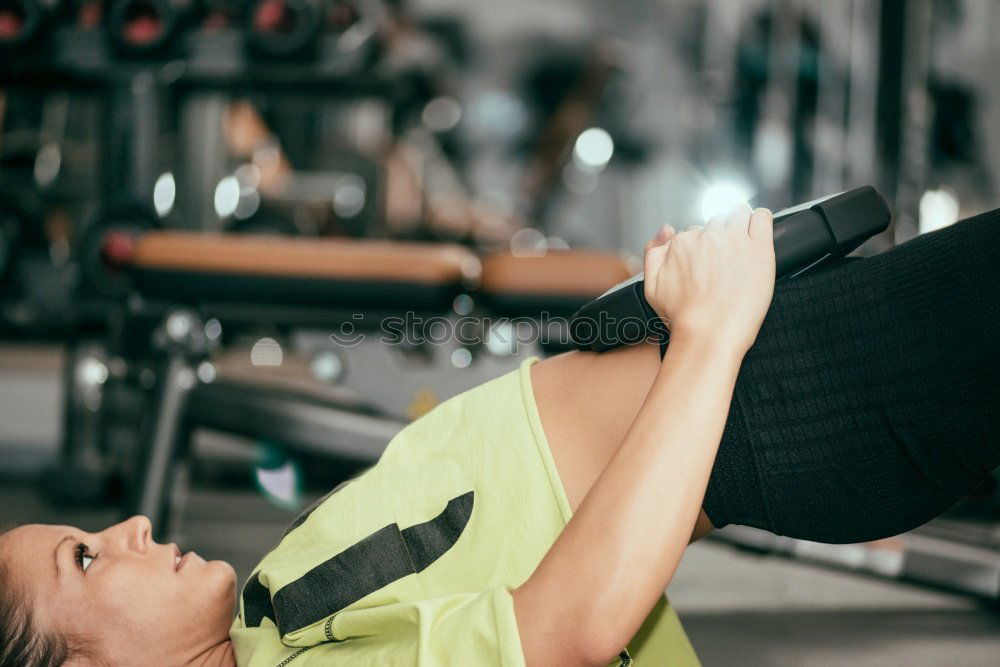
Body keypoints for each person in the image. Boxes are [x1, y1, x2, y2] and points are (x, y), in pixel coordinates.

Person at [2, 203, 998, 666]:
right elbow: (564, 632)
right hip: (784, 406)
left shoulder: (260, 637)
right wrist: (706, 335)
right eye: (82, 559)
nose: (129, 522)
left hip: (754, 378)